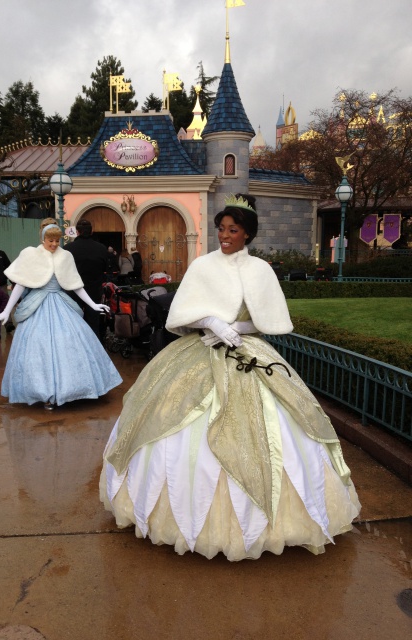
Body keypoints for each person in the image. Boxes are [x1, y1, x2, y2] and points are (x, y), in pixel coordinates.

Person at [100, 194, 361, 561]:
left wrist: (235, 325)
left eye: (232, 230)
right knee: (165, 420)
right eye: (221, 228)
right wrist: (209, 321)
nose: (224, 235)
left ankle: (267, 522)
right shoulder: (203, 265)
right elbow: (181, 312)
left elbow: (270, 321)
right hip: (198, 353)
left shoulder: (260, 270)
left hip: (247, 352)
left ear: (247, 234)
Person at [0, 218, 122, 410]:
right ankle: (43, 393)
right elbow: (20, 284)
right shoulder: (31, 254)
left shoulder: (66, 256)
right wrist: (6, 310)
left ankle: (74, 389)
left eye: (56, 241)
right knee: (37, 347)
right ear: (43, 238)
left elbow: (75, 285)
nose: (53, 244)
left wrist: (93, 305)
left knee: (70, 342)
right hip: (37, 305)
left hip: (61, 303)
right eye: (50, 241)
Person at [63, 218, 108, 339]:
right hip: (94, 290)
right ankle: (95, 351)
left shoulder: (67, 249)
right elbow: (105, 268)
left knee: (74, 322)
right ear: (92, 231)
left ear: (77, 232)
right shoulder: (101, 248)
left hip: (73, 291)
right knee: (94, 323)